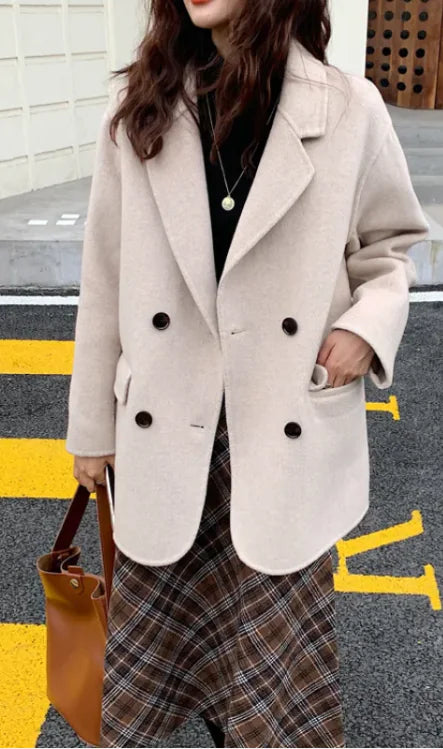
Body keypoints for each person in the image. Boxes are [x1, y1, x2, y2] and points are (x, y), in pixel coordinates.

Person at [65, 0, 430, 747]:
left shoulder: (347, 108)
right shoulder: (141, 105)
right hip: (168, 427)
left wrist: (363, 331)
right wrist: (91, 430)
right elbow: (103, 277)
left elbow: (390, 247)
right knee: (165, 653)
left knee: (269, 674)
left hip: (277, 430)